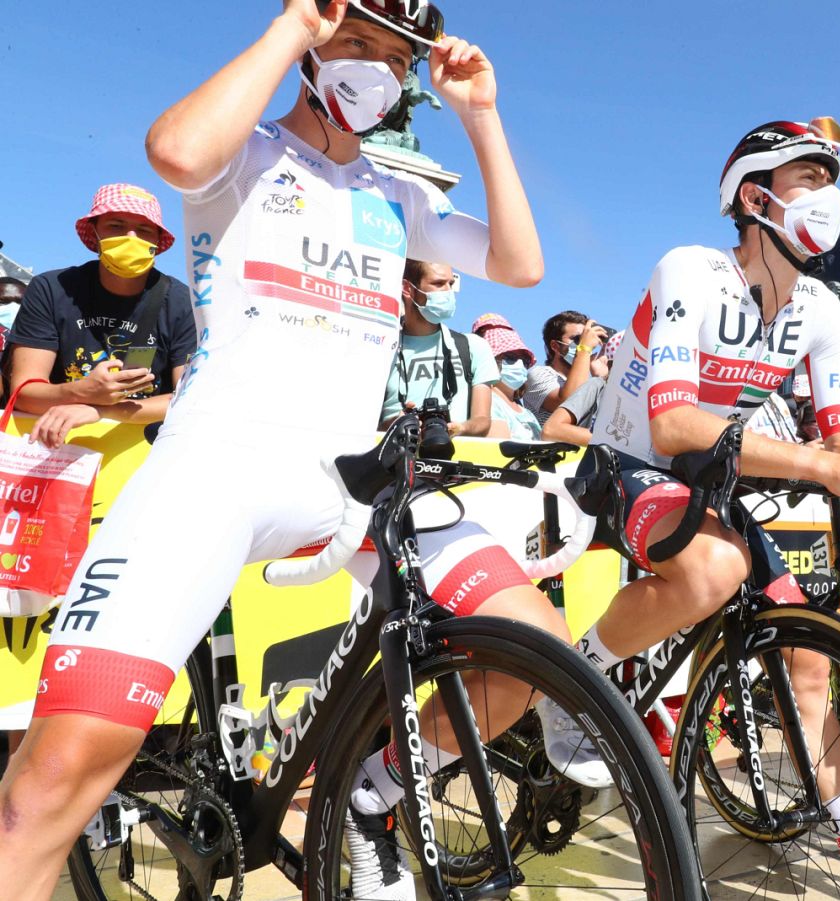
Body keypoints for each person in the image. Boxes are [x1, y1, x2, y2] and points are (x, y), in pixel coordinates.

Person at [0, 4, 554, 900]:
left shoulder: (398, 194)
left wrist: (482, 113)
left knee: (530, 649)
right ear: (313, 51)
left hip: (351, 477)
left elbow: (520, 265)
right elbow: (174, 151)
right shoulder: (247, 152)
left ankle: (372, 797)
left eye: (395, 57)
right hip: (218, 461)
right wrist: (295, 23)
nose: (377, 68)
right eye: (358, 43)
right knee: (53, 775)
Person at [570, 117, 840, 900]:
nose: (830, 196)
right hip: (631, 461)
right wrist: (825, 468)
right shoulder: (690, 270)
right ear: (756, 197)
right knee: (710, 572)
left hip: (707, 477)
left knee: (808, 656)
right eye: (811, 179)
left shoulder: (823, 310)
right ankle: (583, 678)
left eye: (834, 181)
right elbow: (671, 423)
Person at [5, 184, 197, 449]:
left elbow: (189, 399)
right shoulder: (51, 288)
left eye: (143, 230)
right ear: (94, 234)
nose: (131, 238)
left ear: (156, 242)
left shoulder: (181, 302)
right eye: (116, 226)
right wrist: (82, 391)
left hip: (136, 455)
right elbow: (24, 392)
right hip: (54, 451)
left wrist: (100, 409)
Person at [379, 259, 499, 436]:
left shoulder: (473, 346)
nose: (448, 292)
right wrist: (396, 425)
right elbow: (363, 422)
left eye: (451, 283)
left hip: (456, 458)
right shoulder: (381, 347)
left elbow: (482, 421)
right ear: (407, 288)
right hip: (395, 457)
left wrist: (460, 428)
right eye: (438, 284)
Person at [521, 309, 606, 423]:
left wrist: (601, 379)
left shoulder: (586, 382)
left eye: (584, 338)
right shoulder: (538, 374)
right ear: (555, 346)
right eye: (577, 339)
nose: (582, 343)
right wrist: (584, 349)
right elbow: (569, 402)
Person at [470, 312, 542, 439]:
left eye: (524, 360)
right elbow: (500, 453)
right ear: (489, 360)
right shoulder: (488, 404)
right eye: (510, 357)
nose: (519, 364)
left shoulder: (527, 413)